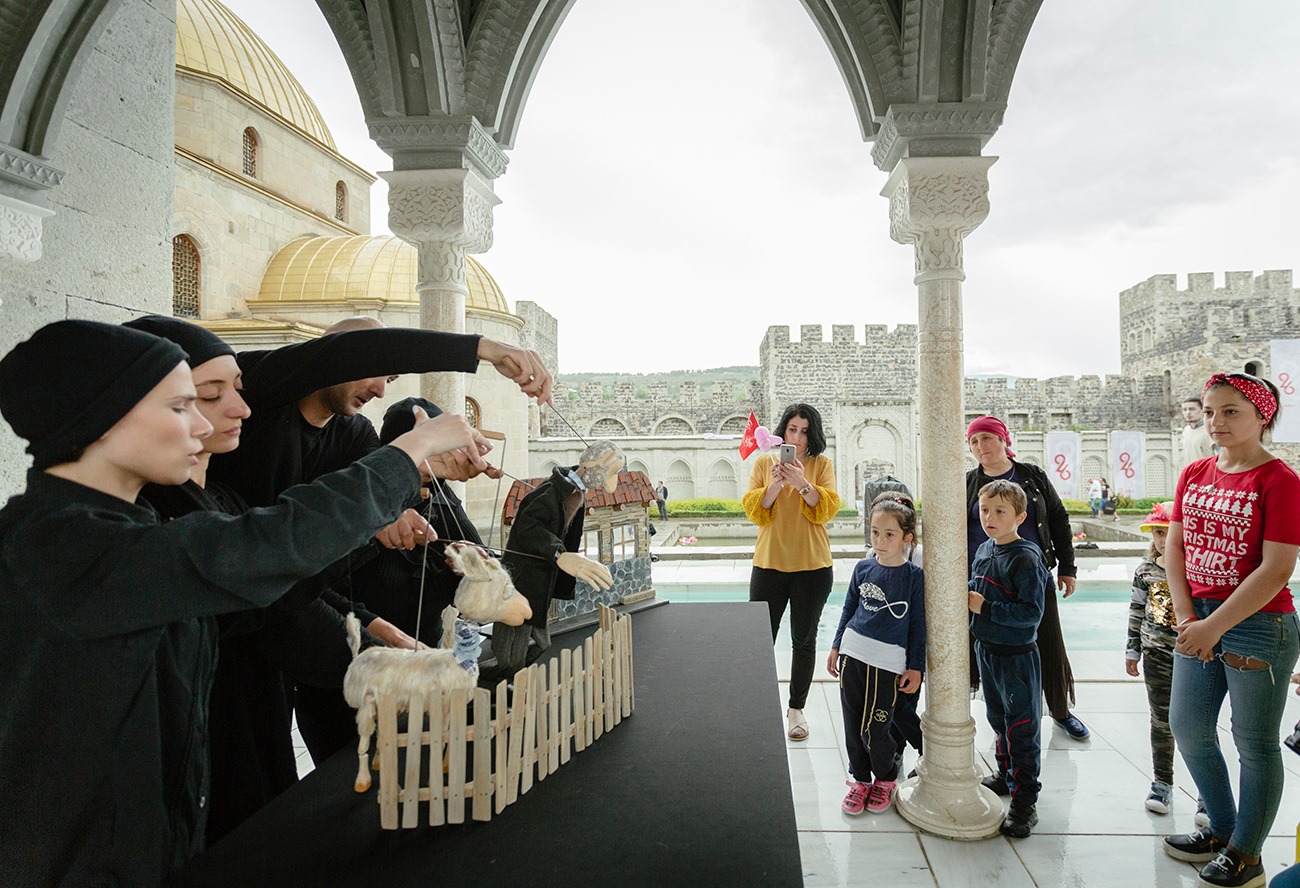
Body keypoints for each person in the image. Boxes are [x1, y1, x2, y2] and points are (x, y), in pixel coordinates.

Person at [0, 320, 473, 887]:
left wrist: (372, 638)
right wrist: (410, 451)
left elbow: (262, 596)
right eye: (183, 406)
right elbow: (265, 545)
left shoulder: (122, 530)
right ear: (103, 417)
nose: (207, 423)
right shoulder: (59, 547)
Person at [1161, 372, 1300, 888]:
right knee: (1188, 728)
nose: (1215, 421)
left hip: (1259, 625)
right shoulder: (1195, 472)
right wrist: (1188, 619)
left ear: (1262, 417)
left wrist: (1215, 625)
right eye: (1209, 411)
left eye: (1230, 411)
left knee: (1254, 743)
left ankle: (1247, 854)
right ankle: (1221, 829)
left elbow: (1277, 569)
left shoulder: (1279, 480)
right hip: (1197, 619)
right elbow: (1174, 548)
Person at [965, 415, 1088, 740]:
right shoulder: (968, 483)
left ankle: (1060, 711)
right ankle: (992, 716)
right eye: (974, 441)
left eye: (986, 438)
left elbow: (1058, 519)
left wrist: (1067, 567)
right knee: (983, 646)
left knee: (1046, 644)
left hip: (1030, 575)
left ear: (1003, 440)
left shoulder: (1031, 476)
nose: (980, 446)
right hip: (983, 580)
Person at [743, 403, 840, 742]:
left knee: (804, 640)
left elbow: (825, 510)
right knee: (759, 640)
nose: (797, 438)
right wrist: (774, 485)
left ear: (813, 435)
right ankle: (757, 705)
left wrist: (801, 482)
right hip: (768, 565)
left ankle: (796, 709)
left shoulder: (821, 465)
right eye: (792, 429)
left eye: (804, 431)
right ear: (783, 430)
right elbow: (755, 512)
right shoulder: (764, 463)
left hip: (813, 567)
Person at [489, 441, 621, 681]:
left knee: (540, 643)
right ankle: (504, 681)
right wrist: (559, 554)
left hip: (540, 578)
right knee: (513, 641)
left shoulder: (574, 491)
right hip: (522, 579)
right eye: (607, 474)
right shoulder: (549, 493)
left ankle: (507, 676)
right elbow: (528, 530)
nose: (607, 483)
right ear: (590, 466)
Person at [827, 492, 925, 816]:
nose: (880, 541)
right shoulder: (862, 568)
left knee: (877, 728)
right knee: (852, 727)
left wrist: (916, 666)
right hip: (853, 655)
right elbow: (848, 609)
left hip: (887, 665)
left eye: (890, 534)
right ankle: (860, 780)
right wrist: (836, 646)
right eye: (875, 532)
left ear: (907, 538)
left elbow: (917, 625)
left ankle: (885, 779)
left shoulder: (913, 577)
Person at [967, 479, 1051, 839]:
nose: (990, 518)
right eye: (985, 510)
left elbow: (1031, 613)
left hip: (1017, 657)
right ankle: (1006, 774)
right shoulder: (985, 549)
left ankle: (1025, 801)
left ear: (1019, 516)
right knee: (998, 719)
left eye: (1000, 511)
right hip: (988, 650)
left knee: (1021, 727)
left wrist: (985, 607)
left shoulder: (1025, 558)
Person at [1125, 500, 1180, 815]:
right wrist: (1132, 649)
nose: (1163, 539)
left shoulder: (1194, 570)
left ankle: (1207, 793)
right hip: (1156, 653)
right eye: (1159, 533)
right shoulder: (1145, 571)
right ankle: (1162, 782)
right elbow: (1136, 612)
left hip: (1193, 656)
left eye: (1170, 532)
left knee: (1198, 725)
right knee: (1161, 720)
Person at [1182, 395, 1216, 466]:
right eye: (1185, 410)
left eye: (1192, 409)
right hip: (1191, 471)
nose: (1188, 412)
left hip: (1208, 471)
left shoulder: (1211, 430)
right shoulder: (1186, 431)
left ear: (1202, 410)